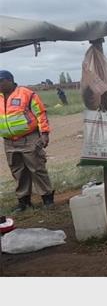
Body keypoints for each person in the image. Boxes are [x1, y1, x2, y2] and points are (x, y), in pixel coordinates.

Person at [0, 70, 55, 212]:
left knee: (37, 168)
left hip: (29, 138)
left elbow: (41, 114)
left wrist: (44, 134)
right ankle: (24, 202)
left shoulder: (27, 94)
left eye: (1, 81)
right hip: (9, 142)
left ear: (10, 80)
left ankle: (47, 198)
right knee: (18, 171)